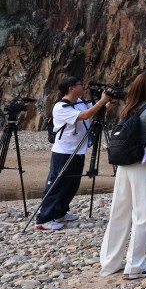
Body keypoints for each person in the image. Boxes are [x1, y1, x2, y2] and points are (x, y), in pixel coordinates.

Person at [99, 72, 146, 280]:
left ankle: (110, 263)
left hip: (124, 165)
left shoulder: (128, 109)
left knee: (119, 213)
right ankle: (136, 266)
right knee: (143, 215)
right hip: (144, 165)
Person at [35, 76, 113, 231]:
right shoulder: (61, 107)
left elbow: (95, 110)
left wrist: (108, 101)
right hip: (64, 152)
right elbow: (85, 116)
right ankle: (44, 219)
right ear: (71, 88)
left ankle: (60, 212)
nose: (83, 87)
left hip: (78, 150)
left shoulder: (79, 103)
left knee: (71, 184)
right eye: (80, 84)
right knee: (57, 184)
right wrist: (102, 101)